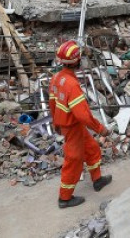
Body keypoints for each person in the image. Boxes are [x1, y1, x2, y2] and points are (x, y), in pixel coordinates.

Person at [50, 40, 113, 208]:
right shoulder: (72, 85)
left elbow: (52, 102)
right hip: (73, 127)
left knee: (92, 148)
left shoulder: (57, 78)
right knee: (74, 160)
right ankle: (64, 198)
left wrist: (55, 122)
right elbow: (83, 115)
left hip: (70, 126)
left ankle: (97, 179)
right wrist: (101, 129)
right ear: (77, 61)